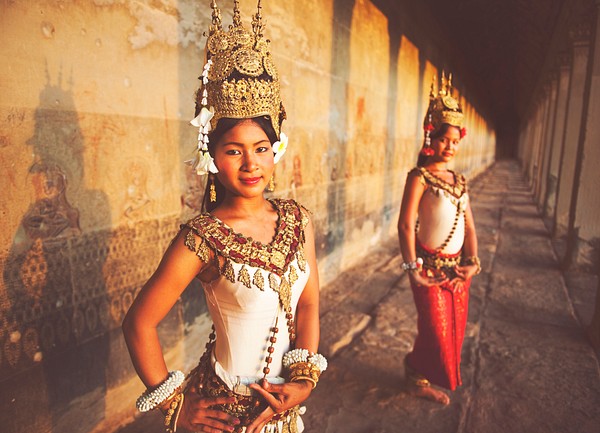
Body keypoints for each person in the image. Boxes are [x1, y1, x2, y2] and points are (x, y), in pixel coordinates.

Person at [122, 2, 326, 432]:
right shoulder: (203, 237)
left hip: (283, 410)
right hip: (223, 416)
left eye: (261, 148)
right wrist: (176, 406)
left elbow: (307, 303)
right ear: (212, 155)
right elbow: (139, 322)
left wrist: (304, 379)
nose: (251, 164)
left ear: (276, 152)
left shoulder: (298, 219)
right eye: (234, 150)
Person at [397, 73, 480, 405]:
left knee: (453, 334)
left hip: (458, 270)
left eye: (456, 141)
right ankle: (415, 373)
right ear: (431, 137)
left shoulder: (460, 181)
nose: (451, 147)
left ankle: (419, 371)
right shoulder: (420, 177)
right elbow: (405, 225)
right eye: (445, 140)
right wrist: (411, 267)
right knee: (435, 329)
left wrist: (473, 263)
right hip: (427, 268)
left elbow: (470, 228)